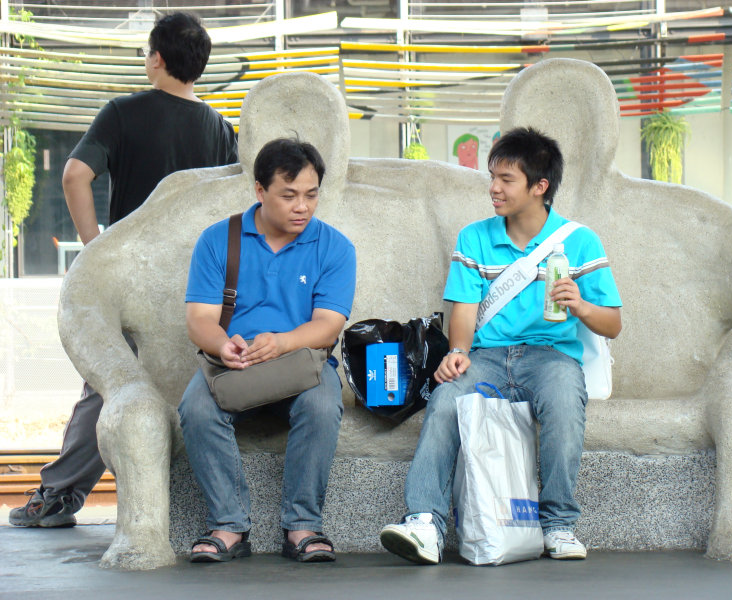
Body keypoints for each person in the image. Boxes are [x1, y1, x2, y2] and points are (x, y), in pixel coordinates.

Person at [10, 12, 238, 528]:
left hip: (135, 279)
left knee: (112, 383)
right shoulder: (222, 130)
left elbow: (73, 175)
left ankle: (59, 495)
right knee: (194, 386)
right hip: (202, 287)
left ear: (156, 58)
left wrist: (96, 249)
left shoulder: (121, 112)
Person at [380, 127, 622, 563]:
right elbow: (465, 310)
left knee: (566, 403)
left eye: (506, 179)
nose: (493, 188)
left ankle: (559, 525)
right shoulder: (475, 237)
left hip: (551, 358)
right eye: (493, 176)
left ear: (539, 186)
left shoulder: (580, 241)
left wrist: (581, 305)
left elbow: (613, 324)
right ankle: (424, 524)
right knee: (447, 398)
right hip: (487, 358)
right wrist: (457, 351)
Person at [178, 138, 356, 563]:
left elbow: (329, 324)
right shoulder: (219, 239)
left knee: (322, 404)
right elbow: (198, 319)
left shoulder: (335, 247)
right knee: (196, 409)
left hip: (301, 364)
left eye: (311, 195)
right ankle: (229, 526)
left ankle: (302, 527)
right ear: (260, 191)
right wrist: (224, 345)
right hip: (234, 364)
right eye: (289, 195)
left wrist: (282, 342)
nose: (303, 207)